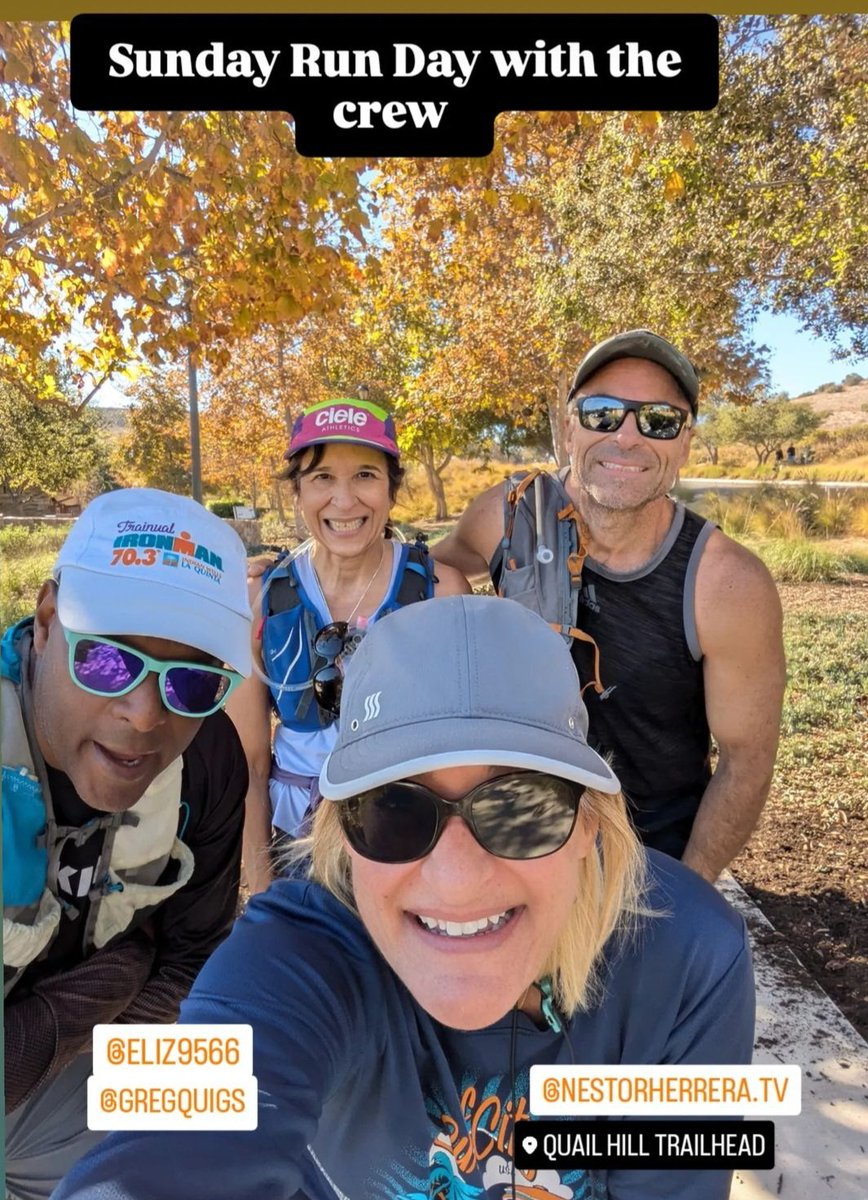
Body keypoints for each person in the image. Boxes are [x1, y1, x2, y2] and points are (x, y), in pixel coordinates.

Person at [54, 595, 755, 1200]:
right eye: (394, 811)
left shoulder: (690, 957)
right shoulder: (293, 950)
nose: (456, 878)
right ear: (340, 834)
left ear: (590, 825)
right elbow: (167, 1148)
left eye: (521, 807)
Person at [434, 329, 786, 881]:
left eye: (659, 421)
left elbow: (746, 759)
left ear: (685, 442)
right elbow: (429, 571)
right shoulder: (511, 515)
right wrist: (302, 565)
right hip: (513, 838)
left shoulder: (727, 584)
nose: (627, 437)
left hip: (650, 857)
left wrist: (684, 894)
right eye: (602, 413)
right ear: (569, 428)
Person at [3, 488, 252, 1199]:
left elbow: (193, 957)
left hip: (80, 1066)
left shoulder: (208, 760)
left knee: (248, 1111)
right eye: (108, 662)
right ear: (47, 623)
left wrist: (129, 1098)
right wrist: (76, 1006)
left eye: (194, 680)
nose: (145, 715)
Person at [227, 396, 469, 894]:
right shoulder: (260, 599)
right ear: (297, 491)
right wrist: (259, 888)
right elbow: (250, 761)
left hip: (408, 840)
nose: (344, 500)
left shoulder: (439, 590)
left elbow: (460, 747)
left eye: (365, 475)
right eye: (322, 478)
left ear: (391, 488)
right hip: (295, 847)